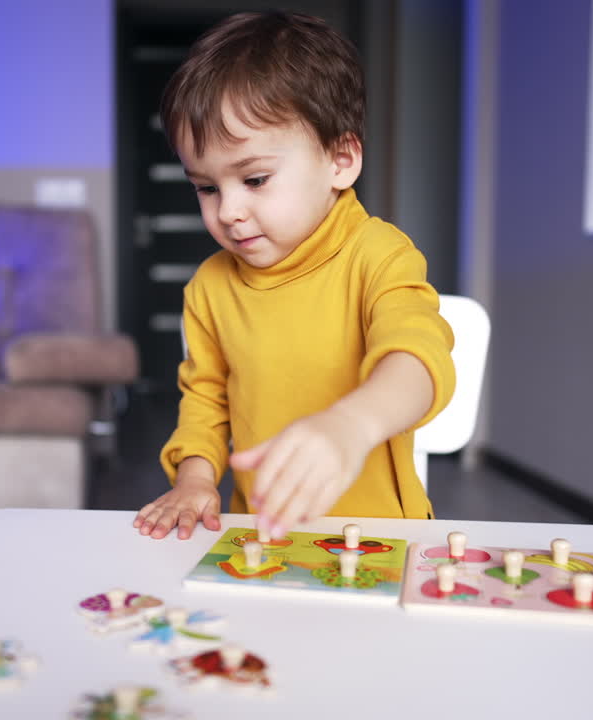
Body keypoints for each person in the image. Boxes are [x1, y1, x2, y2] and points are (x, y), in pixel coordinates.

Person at [133, 10, 455, 540]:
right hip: (262, 538)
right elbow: (205, 402)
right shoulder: (209, 288)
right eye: (207, 188)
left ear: (341, 160)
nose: (229, 211)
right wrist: (195, 478)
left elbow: (418, 358)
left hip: (382, 540)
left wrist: (352, 424)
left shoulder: (378, 255)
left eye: (255, 179)